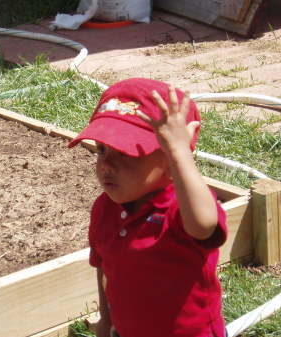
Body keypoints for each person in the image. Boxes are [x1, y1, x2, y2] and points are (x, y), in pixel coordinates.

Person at [68, 78, 228, 337]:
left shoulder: (180, 205)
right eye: (102, 149)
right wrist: (106, 318)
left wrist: (180, 152)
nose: (106, 164)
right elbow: (104, 266)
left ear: (171, 160)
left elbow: (203, 225)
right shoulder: (104, 208)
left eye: (126, 152)